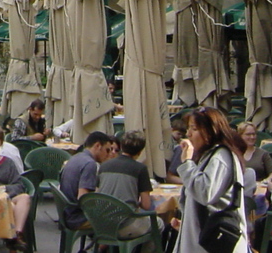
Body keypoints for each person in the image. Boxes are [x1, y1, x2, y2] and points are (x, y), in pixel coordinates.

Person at [172, 107, 247, 253]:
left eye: (194, 128)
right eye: (188, 128)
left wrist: (187, 163)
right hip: (202, 240)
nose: (189, 134)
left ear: (209, 130)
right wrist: (187, 221)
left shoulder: (221, 157)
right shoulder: (208, 156)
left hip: (217, 244)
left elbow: (205, 193)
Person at [97, 130, 156, 253]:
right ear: (140, 152)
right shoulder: (140, 169)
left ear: (122, 146)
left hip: (102, 223)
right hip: (124, 224)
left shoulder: (104, 166)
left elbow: (98, 194)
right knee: (158, 225)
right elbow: (146, 205)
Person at [58, 130, 114, 229]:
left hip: (66, 212)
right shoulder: (90, 164)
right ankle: (104, 244)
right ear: (98, 146)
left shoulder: (75, 157)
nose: (108, 154)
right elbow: (84, 198)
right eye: (107, 150)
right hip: (77, 218)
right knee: (118, 220)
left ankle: (100, 243)